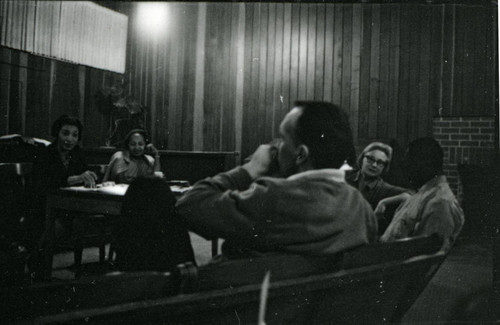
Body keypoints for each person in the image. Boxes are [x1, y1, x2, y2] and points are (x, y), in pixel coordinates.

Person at [177, 101, 377, 259]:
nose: (276, 147)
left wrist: (249, 169)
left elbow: (189, 206)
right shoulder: (361, 207)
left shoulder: (273, 197)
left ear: (300, 154)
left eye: (282, 139)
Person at [31, 115, 98, 279]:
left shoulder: (78, 153)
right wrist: (75, 178)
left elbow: (84, 173)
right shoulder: (46, 153)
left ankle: (76, 270)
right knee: (59, 224)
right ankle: (38, 264)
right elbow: (44, 183)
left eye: (75, 135)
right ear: (57, 133)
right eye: (65, 133)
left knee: (77, 221)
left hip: (69, 206)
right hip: (42, 204)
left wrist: (90, 178)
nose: (70, 139)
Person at [380, 137, 465, 252]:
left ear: (425, 164)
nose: (404, 166)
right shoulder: (425, 193)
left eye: (409, 161)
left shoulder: (439, 204)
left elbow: (423, 257)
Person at [347, 142, 411, 233]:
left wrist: (384, 202)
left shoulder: (385, 188)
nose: (374, 165)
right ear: (362, 159)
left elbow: (412, 194)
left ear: (384, 168)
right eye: (370, 159)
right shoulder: (345, 179)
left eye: (380, 162)